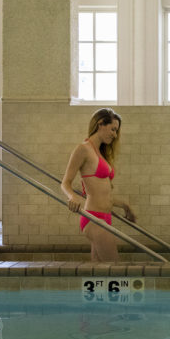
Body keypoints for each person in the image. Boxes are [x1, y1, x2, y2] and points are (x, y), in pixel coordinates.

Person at [61, 108, 136, 262]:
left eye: (116, 131)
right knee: (116, 268)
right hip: (93, 218)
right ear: (101, 124)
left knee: (99, 274)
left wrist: (125, 205)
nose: (115, 135)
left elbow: (104, 194)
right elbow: (65, 183)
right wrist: (72, 196)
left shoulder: (100, 153)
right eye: (113, 129)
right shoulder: (83, 149)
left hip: (106, 217)